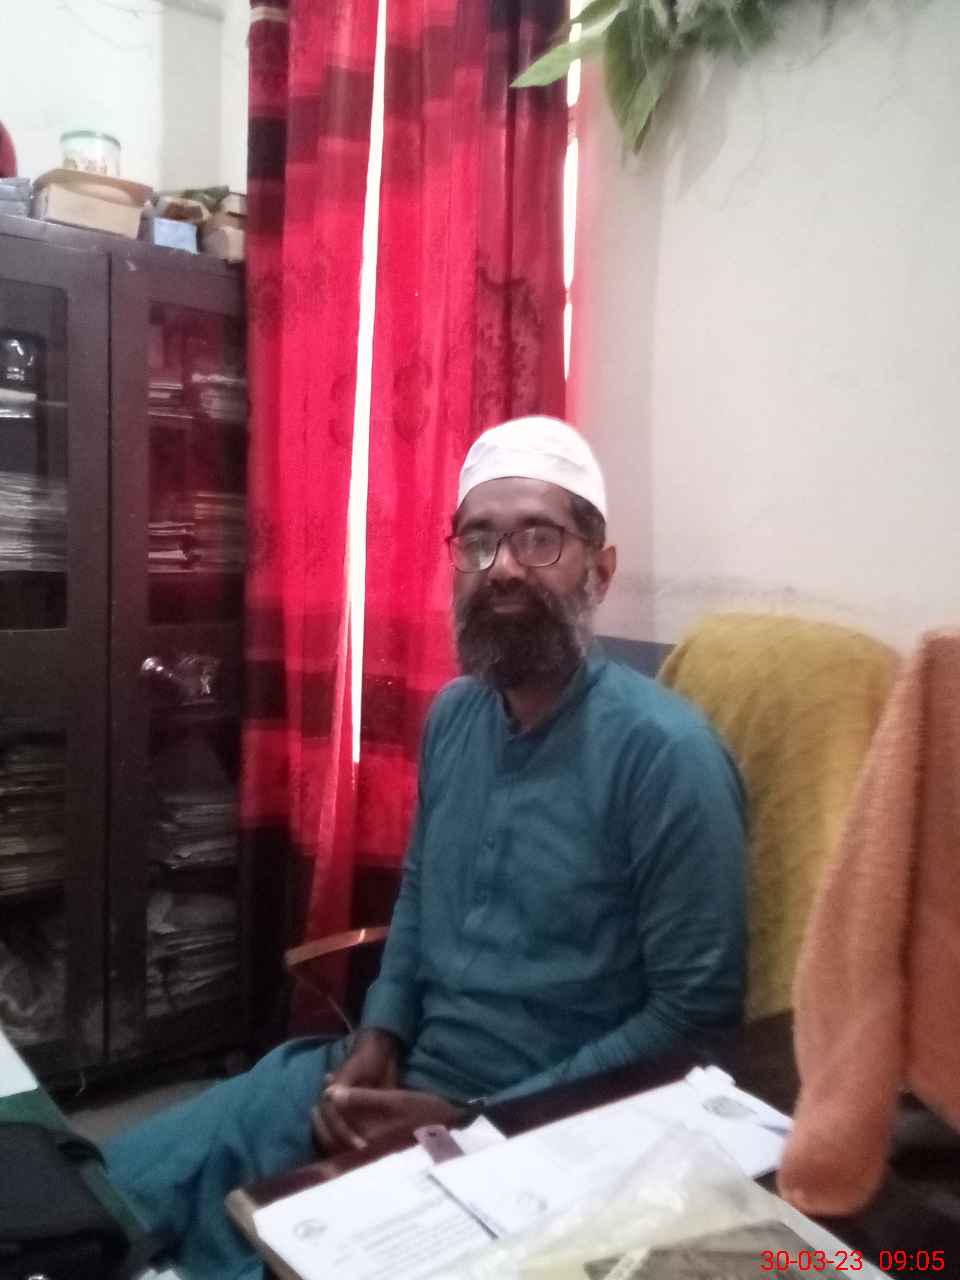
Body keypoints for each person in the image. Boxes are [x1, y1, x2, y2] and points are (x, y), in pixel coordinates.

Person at [106, 416, 746, 1280]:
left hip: (542, 1133)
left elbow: (693, 1017)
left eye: (539, 538)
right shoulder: (454, 716)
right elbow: (419, 896)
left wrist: (472, 1121)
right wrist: (379, 1031)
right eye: (478, 540)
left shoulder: (666, 755)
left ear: (600, 571)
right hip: (392, 1075)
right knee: (100, 1192)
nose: (503, 567)